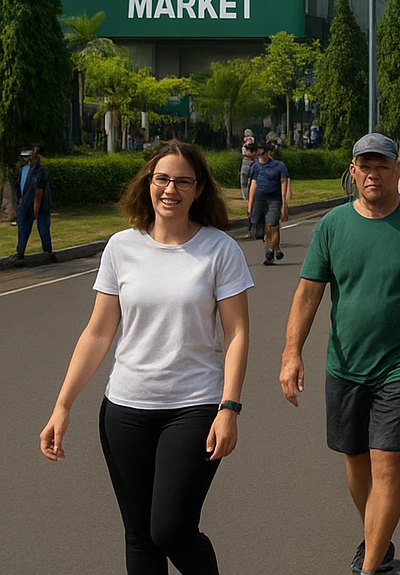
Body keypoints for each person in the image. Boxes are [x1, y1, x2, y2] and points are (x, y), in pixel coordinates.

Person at [41, 141, 252, 575]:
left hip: (194, 406)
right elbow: (98, 332)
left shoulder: (219, 249)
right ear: (148, 183)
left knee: (170, 529)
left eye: (183, 181)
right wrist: (63, 405)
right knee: (139, 537)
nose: (170, 189)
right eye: (162, 179)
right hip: (125, 410)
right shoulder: (121, 247)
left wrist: (229, 407)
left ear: (198, 190)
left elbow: (237, 333)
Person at [280, 133, 400, 575]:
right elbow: (308, 294)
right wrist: (291, 353)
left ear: (397, 170)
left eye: (382, 166)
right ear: (353, 171)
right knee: (355, 463)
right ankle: (377, 536)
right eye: (365, 166)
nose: (373, 174)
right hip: (346, 364)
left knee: (386, 464)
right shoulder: (333, 225)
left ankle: (371, 565)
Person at [247, 141, 291, 267]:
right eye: (259, 154)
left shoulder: (279, 166)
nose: (261, 157)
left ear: (268, 152)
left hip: (274, 200)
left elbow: (284, 183)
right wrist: (250, 204)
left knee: (273, 226)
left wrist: (284, 202)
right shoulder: (255, 166)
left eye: (263, 154)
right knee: (266, 228)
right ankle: (274, 248)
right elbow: (253, 185)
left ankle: (271, 251)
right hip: (260, 200)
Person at [13, 144, 54, 262]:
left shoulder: (40, 171)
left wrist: (35, 210)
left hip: (40, 207)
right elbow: (18, 187)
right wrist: (19, 204)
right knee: (23, 230)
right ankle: (20, 254)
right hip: (25, 206)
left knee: (43, 229)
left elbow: (39, 192)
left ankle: (48, 253)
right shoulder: (21, 170)